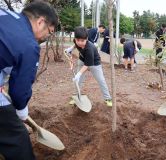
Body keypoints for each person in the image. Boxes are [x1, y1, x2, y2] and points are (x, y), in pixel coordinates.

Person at [0, 1, 58, 160]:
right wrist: (21, 110)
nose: (48, 36)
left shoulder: (7, 16)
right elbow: (19, 91)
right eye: (50, 32)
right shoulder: (28, 43)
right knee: (17, 138)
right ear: (40, 22)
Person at [65, 27, 112, 107]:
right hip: (82, 60)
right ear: (75, 39)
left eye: (82, 41)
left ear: (86, 39)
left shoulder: (90, 48)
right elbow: (76, 44)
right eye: (77, 40)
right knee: (78, 81)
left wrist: (79, 74)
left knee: (101, 80)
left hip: (94, 63)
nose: (80, 43)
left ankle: (108, 98)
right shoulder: (77, 41)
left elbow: (87, 65)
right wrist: (71, 48)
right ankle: (76, 96)